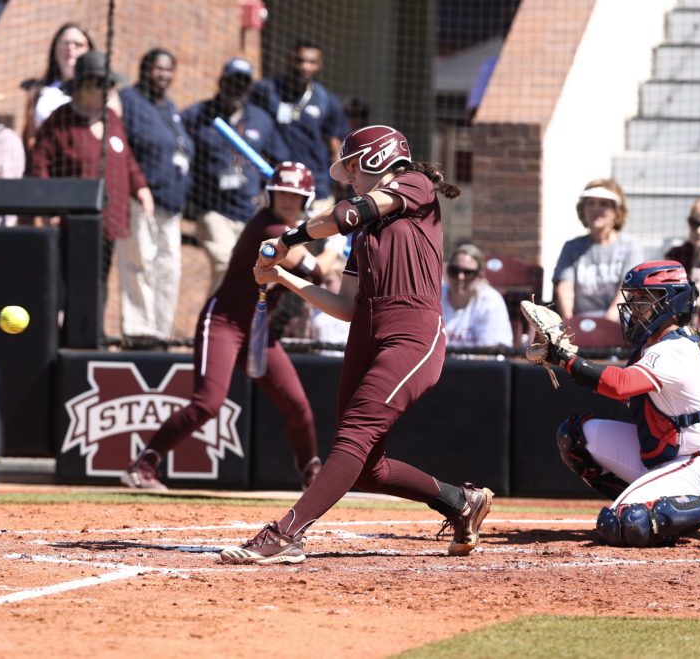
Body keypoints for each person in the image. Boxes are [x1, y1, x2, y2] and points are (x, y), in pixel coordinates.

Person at [219, 125, 493, 565]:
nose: (348, 178)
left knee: (355, 433)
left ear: (376, 158)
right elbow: (346, 305)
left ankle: (287, 533)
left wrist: (289, 238)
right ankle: (461, 502)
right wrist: (284, 276)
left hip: (412, 332)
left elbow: (346, 213)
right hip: (365, 332)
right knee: (366, 466)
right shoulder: (364, 233)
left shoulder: (414, 185)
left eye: (350, 167)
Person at [123, 162, 333, 490]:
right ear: (270, 194)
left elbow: (306, 253)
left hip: (258, 332)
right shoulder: (268, 230)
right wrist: (335, 245)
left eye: (295, 196)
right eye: (283, 193)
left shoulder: (290, 232)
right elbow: (317, 271)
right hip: (224, 321)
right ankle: (143, 465)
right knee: (208, 403)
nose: (288, 201)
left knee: (298, 406)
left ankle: (313, 475)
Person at [540, 261, 700, 548]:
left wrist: (565, 359)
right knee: (575, 437)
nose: (634, 306)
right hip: (667, 455)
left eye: (644, 298)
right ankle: (670, 509)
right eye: (635, 297)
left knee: (621, 524)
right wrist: (563, 357)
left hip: (699, 461)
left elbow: (620, 385)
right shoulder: (653, 344)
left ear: (671, 302)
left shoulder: (675, 348)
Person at [30, 50, 153, 297]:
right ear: (84, 85)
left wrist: (141, 188)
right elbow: (39, 165)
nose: (107, 89)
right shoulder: (60, 120)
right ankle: (68, 333)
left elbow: (127, 158)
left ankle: (93, 332)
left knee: (99, 284)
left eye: (110, 83)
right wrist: (48, 207)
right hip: (70, 222)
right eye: (101, 83)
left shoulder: (112, 119)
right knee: (69, 285)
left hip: (109, 219)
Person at [183, 58, 290, 292]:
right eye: (232, 83)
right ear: (221, 83)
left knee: (257, 271)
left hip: (250, 211)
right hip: (213, 210)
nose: (236, 89)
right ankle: (216, 324)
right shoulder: (197, 115)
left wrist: (268, 195)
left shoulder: (260, 120)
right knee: (225, 264)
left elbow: (280, 161)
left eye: (242, 84)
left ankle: (242, 324)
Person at [117, 48, 192, 345]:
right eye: (157, 68)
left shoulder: (171, 108)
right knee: (140, 264)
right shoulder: (129, 100)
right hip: (139, 200)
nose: (163, 75)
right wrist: (136, 187)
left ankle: (160, 332)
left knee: (169, 269)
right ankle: (138, 332)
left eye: (168, 69)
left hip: (171, 206)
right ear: (145, 69)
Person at [250, 39, 348, 213]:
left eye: (312, 62)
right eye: (300, 60)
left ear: (320, 65)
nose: (305, 67)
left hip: (314, 188)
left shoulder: (326, 100)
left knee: (311, 238)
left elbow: (334, 144)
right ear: (289, 59)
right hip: (273, 183)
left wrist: (341, 176)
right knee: (271, 237)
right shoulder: (266, 90)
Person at [553, 178, 644, 321]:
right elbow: (565, 287)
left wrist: (607, 322)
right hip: (582, 322)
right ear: (582, 209)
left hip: (621, 323)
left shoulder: (631, 245)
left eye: (603, 203)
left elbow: (628, 288)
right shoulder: (572, 247)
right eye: (590, 203)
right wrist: (569, 322)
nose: (596, 209)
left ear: (617, 211)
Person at [23, 22, 94, 148]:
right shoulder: (39, 91)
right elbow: (30, 138)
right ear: (55, 49)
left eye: (78, 44)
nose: (70, 48)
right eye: (65, 43)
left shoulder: (100, 92)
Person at [442, 243, 513, 349]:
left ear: (480, 276)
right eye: (454, 271)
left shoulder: (491, 300)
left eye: (468, 272)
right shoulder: (435, 297)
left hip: (479, 365)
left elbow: (491, 350)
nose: (460, 277)